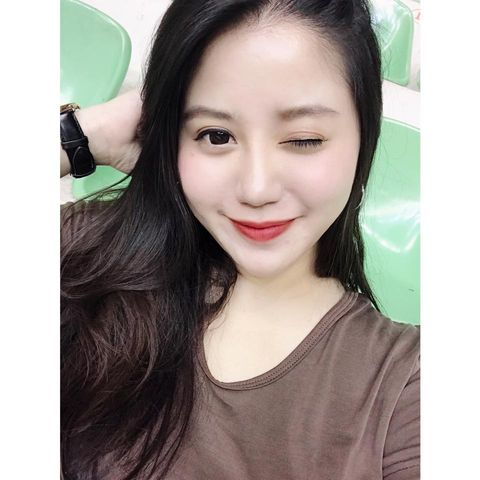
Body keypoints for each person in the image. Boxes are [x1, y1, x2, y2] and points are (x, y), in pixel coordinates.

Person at [60, 1, 420, 479]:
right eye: (215, 135)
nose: (256, 189)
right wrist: (80, 136)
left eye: (304, 139)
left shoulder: (405, 388)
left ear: (363, 136)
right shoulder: (88, 257)